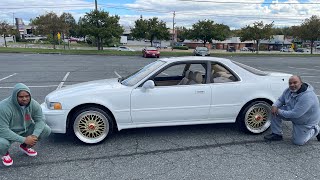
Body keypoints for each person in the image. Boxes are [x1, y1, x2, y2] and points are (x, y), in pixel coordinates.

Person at [0, 83, 51, 166]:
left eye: (27, 96)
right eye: (21, 97)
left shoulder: (33, 104)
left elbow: (40, 120)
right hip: (8, 132)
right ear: (15, 96)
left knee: (46, 130)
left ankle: (24, 147)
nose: (24, 99)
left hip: (25, 129)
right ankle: (5, 154)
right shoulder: (4, 107)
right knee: (1, 143)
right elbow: (2, 129)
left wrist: (34, 136)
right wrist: (24, 139)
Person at [264, 75, 320, 145]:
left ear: (301, 83)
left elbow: (295, 114)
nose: (292, 85)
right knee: (273, 111)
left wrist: (279, 111)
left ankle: (315, 129)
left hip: (305, 121)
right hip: (292, 112)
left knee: (298, 142)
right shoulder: (288, 90)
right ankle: (277, 134)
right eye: (290, 83)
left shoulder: (307, 97)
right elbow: (281, 100)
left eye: (295, 82)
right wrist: (275, 106)